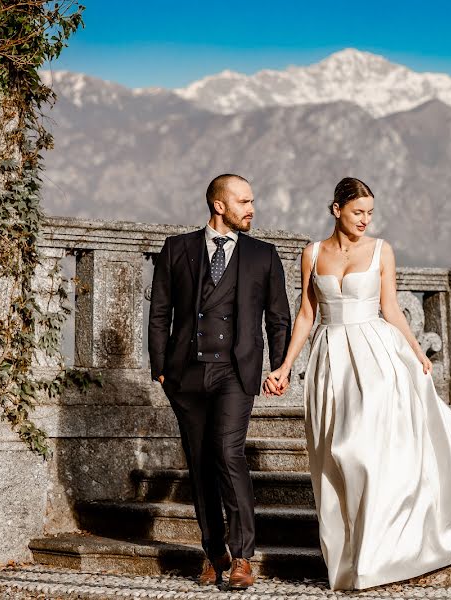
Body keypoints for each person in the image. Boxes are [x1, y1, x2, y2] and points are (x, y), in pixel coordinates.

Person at [264, 177, 451, 590]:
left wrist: (416, 350)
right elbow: (306, 316)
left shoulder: (382, 251)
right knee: (333, 455)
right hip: (331, 359)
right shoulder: (312, 253)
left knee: (362, 449)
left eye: (370, 212)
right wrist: (284, 366)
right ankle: (350, 560)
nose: (365, 220)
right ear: (336, 210)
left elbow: (390, 308)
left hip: (377, 357)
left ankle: (378, 555)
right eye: (357, 212)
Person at [148, 174, 291, 590]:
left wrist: (278, 367)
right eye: (244, 201)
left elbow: (278, 317)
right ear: (219, 205)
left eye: (252, 201)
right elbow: (160, 312)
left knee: (228, 454)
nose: (252, 208)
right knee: (200, 464)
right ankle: (214, 553)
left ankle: (243, 555)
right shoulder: (177, 249)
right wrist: (161, 366)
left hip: (236, 371)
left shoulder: (264, 255)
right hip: (185, 372)